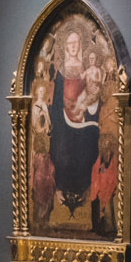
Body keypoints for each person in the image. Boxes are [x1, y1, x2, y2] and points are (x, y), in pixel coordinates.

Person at [46, 27, 105, 224]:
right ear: (65, 46)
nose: (73, 46)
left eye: (76, 42)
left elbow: (93, 92)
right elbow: (56, 100)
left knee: (87, 149)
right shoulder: (62, 71)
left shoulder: (86, 68)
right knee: (61, 153)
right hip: (63, 120)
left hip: (84, 117)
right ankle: (62, 191)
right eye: (70, 43)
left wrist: (90, 104)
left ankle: (83, 191)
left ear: (80, 45)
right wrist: (56, 120)